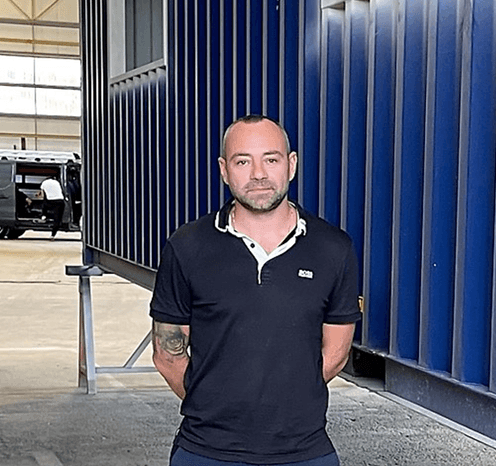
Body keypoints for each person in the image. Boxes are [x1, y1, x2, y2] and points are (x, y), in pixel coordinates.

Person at [150, 115, 361, 466]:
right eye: (243, 161)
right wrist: (216, 403)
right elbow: (167, 354)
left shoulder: (333, 248)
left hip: (304, 452)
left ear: (291, 165)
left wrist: (282, 403)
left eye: (271, 159)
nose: (258, 174)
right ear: (224, 170)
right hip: (205, 451)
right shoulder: (187, 247)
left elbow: (335, 353)